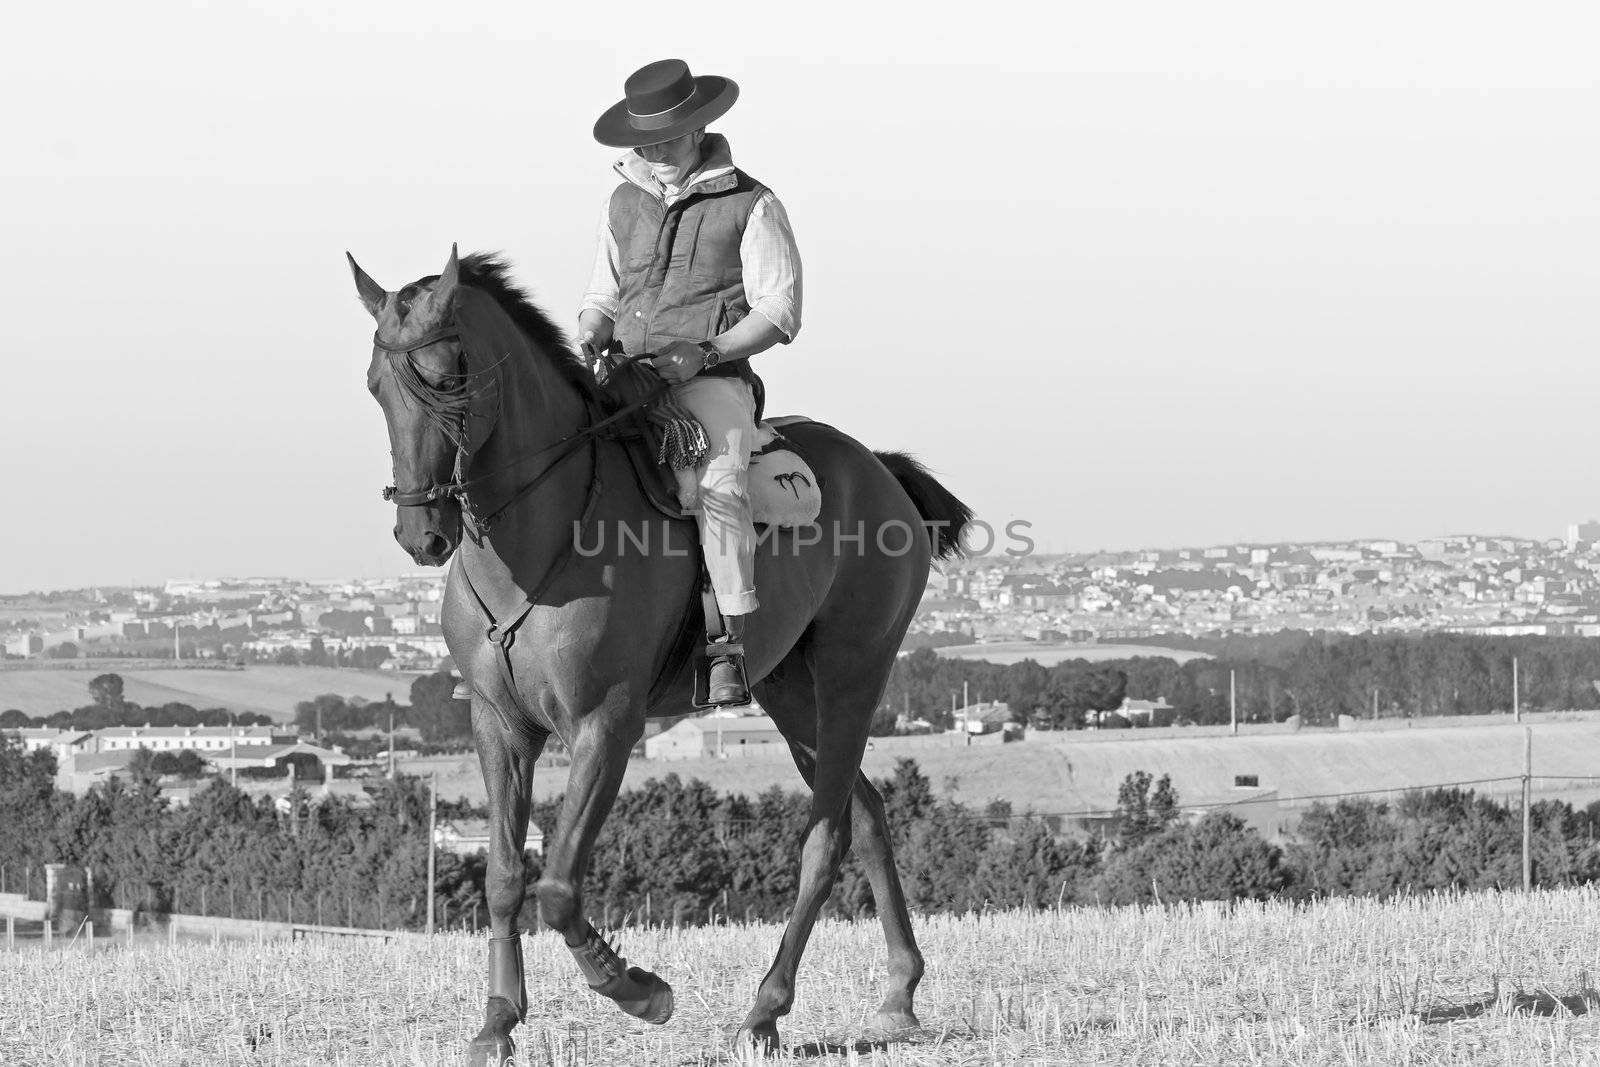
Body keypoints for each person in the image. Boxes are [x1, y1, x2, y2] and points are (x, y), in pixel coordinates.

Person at [578, 59, 802, 707]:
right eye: (644, 141)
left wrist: (704, 353)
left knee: (718, 487)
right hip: (625, 374)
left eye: (667, 138)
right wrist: (590, 329)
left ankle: (727, 641)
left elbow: (779, 313)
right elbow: (603, 290)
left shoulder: (754, 204)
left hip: (711, 379)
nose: (654, 151)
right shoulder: (622, 200)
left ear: (700, 125)